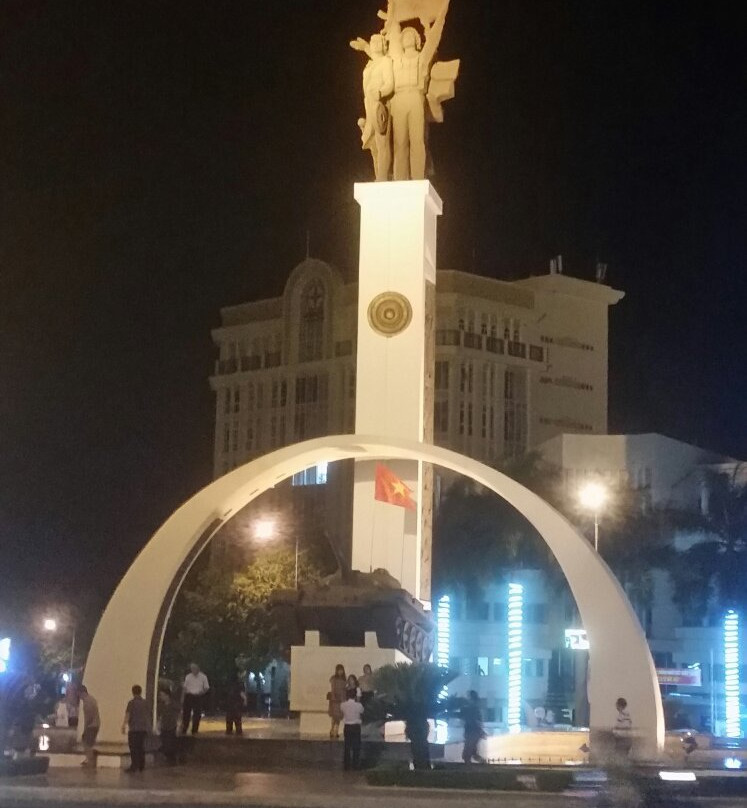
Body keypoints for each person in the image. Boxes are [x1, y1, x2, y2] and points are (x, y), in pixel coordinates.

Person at [385, 0, 450, 180]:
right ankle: (400, 178)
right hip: (399, 100)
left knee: (417, 142)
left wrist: (441, 15)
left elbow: (434, 38)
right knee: (399, 143)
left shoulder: (421, 60)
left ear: (417, 40)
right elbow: (392, 28)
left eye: (411, 35)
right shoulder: (397, 58)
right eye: (404, 35)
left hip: (415, 98)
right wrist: (392, 8)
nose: (406, 37)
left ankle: (417, 177)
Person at [350, 33, 394, 181]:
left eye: (378, 42)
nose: (375, 44)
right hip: (369, 104)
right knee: (373, 144)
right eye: (372, 42)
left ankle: (382, 177)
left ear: (383, 45)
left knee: (382, 142)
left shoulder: (386, 62)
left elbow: (390, 84)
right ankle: (379, 174)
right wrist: (364, 48)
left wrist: (380, 92)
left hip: (381, 104)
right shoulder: (371, 64)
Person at [121, 684, 151, 773]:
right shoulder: (145, 703)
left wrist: (123, 725)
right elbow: (148, 715)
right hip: (143, 728)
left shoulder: (131, 703)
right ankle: (142, 765)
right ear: (140, 692)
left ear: (133, 692)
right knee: (141, 747)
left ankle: (134, 766)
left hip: (134, 729)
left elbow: (128, 715)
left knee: (133, 748)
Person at [181, 663, 209, 735]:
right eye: (192, 669)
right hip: (189, 695)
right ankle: (185, 728)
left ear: (198, 669)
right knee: (186, 713)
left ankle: (195, 729)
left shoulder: (203, 677)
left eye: (195, 668)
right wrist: (183, 697)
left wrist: (201, 693)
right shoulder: (188, 677)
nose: (193, 670)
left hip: (198, 696)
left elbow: (206, 687)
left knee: (197, 713)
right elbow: (185, 687)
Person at [341, 688, 364, 770]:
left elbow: (342, 712)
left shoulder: (343, 705)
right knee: (356, 746)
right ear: (355, 696)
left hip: (347, 726)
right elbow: (362, 712)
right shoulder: (358, 705)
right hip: (356, 726)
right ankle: (355, 764)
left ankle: (346, 765)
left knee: (347, 746)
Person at [461, 690, 486, 764]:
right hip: (473, 733)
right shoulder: (475, 709)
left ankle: (470, 767)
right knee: (472, 752)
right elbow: (478, 722)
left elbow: (474, 721)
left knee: (467, 753)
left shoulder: (471, 709)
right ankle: (482, 763)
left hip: (472, 733)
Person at [78, 685, 100, 768]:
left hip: (91, 725)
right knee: (88, 743)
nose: (78, 697)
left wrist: (85, 728)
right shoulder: (91, 699)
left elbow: (89, 716)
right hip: (95, 724)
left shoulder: (87, 702)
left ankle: (90, 761)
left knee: (87, 743)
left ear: (82, 693)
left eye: (79, 694)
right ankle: (89, 759)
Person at [157, 687, 180, 765]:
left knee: (171, 744)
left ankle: (172, 759)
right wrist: (159, 725)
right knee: (165, 743)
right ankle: (168, 759)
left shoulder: (174, 705)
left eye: (162, 695)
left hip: (172, 726)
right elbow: (160, 716)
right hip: (164, 726)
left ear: (167, 696)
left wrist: (178, 725)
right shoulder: (161, 705)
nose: (161, 697)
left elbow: (178, 715)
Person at [327, 664, 347, 739]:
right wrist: (333, 698)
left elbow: (345, 689)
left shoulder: (344, 679)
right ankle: (332, 730)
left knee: (338, 717)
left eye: (341, 670)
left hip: (342, 700)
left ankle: (336, 731)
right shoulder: (334, 679)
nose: (340, 672)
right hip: (335, 700)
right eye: (339, 670)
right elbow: (333, 689)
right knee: (334, 716)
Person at [225, 671, 246, 736]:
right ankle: (238, 732)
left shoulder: (228, 684)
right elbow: (241, 693)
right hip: (237, 703)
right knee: (237, 719)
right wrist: (245, 700)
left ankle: (228, 731)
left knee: (229, 719)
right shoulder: (240, 684)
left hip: (229, 703)